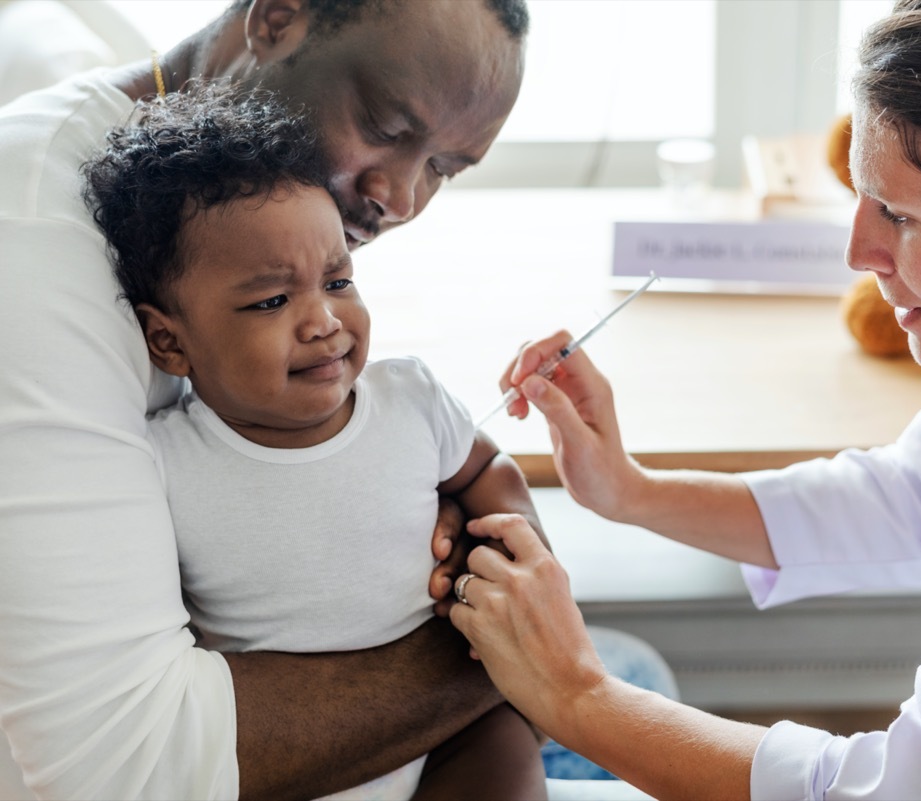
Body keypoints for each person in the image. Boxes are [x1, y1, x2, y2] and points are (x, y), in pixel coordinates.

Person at [444, 0, 921, 798]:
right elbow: (919, 497)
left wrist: (578, 695)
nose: (857, 251)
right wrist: (630, 490)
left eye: (899, 215)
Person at [0, 0, 528, 797]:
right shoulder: (35, 240)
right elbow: (118, 763)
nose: (403, 199)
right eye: (387, 125)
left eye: (445, 169)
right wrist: (519, 654)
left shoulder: (247, 199)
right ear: (278, 18)